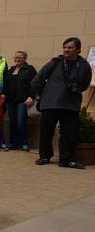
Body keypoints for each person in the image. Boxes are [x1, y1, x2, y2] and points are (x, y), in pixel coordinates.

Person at [32, 38, 92, 169]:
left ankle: (65, 159)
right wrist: (41, 96)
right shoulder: (55, 62)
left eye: (70, 48)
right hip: (51, 102)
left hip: (71, 104)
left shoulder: (83, 65)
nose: (66, 50)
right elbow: (38, 79)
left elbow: (85, 83)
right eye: (65, 47)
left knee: (69, 133)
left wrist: (77, 89)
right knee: (46, 131)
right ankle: (45, 156)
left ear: (78, 49)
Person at [3, 51, 37, 152]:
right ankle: (13, 143)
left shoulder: (30, 70)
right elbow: (6, 84)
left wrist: (31, 96)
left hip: (23, 100)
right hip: (11, 100)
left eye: (20, 57)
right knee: (12, 122)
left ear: (25, 58)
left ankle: (24, 142)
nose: (18, 59)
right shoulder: (10, 70)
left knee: (21, 121)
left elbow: (35, 84)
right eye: (16, 57)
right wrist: (3, 94)